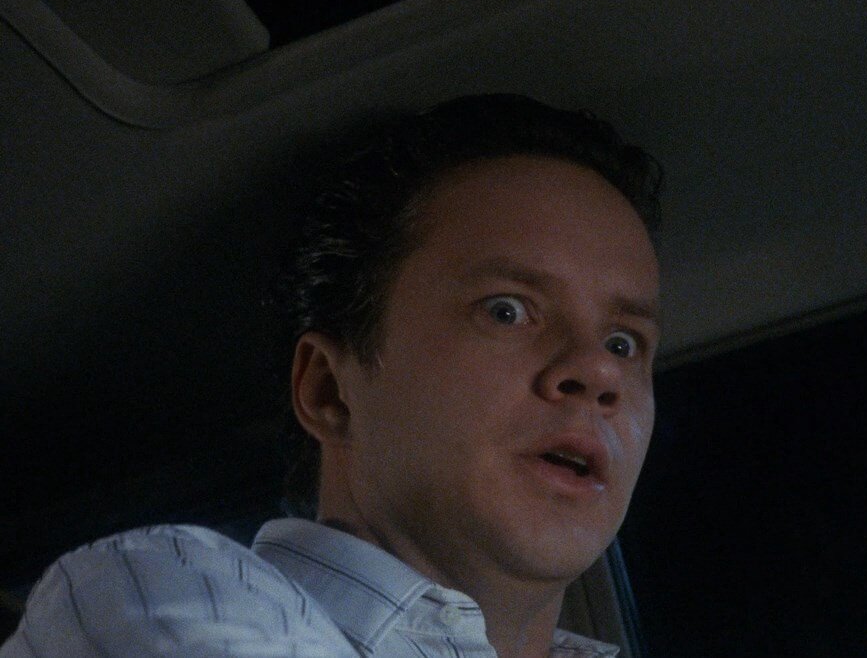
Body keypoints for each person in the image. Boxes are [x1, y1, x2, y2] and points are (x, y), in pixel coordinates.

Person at [1, 94, 663, 658]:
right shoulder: (164, 590)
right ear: (328, 390)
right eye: (506, 310)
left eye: (624, 342)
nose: (598, 369)